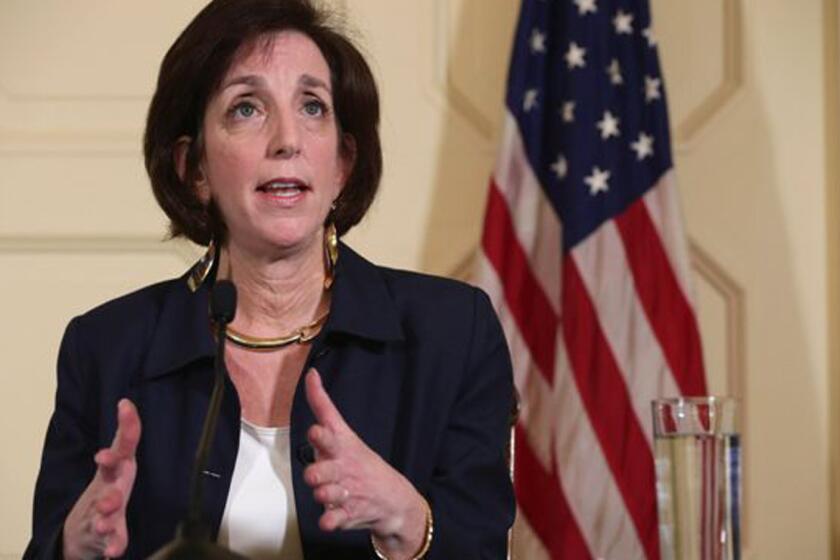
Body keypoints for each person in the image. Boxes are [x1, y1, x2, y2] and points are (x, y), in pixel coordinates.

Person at [24, 0, 515, 558]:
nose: (288, 139)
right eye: (246, 109)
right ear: (195, 170)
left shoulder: (452, 333)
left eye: (312, 106)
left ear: (343, 165)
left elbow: (482, 543)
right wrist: (71, 545)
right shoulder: (107, 348)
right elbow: (48, 545)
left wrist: (407, 518)